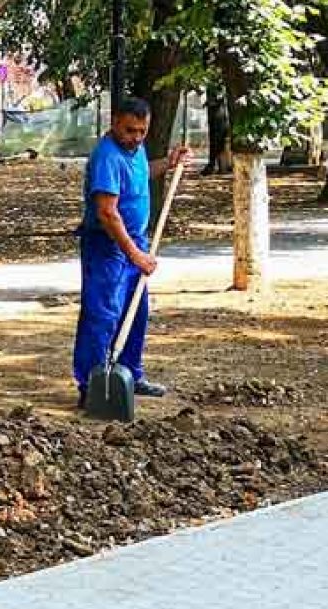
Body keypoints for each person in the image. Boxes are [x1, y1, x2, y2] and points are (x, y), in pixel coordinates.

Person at [72, 97, 188, 405]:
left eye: (142, 131)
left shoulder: (134, 150)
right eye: (129, 130)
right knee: (103, 315)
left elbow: (140, 173)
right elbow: (107, 213)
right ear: (114, 123)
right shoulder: (107, 157)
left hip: (136, 243)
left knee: (135, 313)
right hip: (107, 247)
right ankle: (93, 388)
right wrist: (135, 254)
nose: (136, 137)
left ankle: (128, 377)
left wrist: (169, 163)